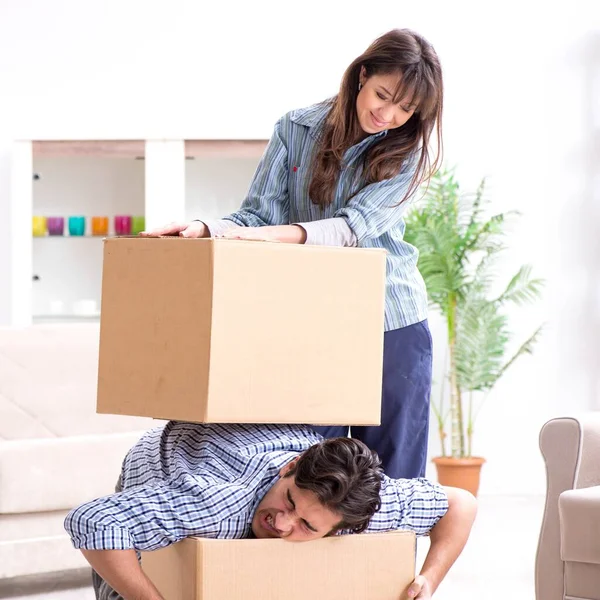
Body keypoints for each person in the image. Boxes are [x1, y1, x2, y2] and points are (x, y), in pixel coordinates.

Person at [141, 28, 443, 480]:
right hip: (315, 322)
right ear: (362, 75)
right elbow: (256, 217)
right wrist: (203, 229)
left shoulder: (410, 150)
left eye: (406, 109)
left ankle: (390, 555)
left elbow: (350, 229)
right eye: (383, 95)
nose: (388, 114)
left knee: (392, 470)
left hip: (391, 324)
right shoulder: (296, 127)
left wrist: (270, 236)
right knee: (313, 470)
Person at [65, 422, 477, 600]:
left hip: (254, 438)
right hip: (166, 455)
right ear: (290, 467)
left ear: (341, 530)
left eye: (306, 526)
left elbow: (461, 504)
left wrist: (429, 578)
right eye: (290, 500)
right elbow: (93, 522)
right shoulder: (219, 505)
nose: (280, 523)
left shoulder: (372, 508)